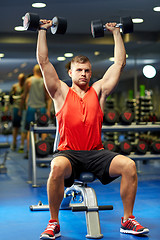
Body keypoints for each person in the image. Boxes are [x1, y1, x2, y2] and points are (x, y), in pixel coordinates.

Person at [36, 19, 149, 239]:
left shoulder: (98, 91)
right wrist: (42, 30)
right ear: (70, 73)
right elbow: (43, 61)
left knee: (129, 166)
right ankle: (54, 222)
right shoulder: (59, 92)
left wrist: (117, 32)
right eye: (79, 70)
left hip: (96, 153)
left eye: (87, 70)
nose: (84, 74)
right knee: (56, 167)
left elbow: (118, 64)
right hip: (69, 154)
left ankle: (127, 220)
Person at [20, 64, 52, 159]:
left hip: (31, 108)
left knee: (30, 130)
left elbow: (24, 96)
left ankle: (30, 152)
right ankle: (43, 151)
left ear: (34, 71)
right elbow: (48, 98)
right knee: (43, 130)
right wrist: (48, 111)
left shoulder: (29, 81)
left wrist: (21, 108)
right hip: (42, 108)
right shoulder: (44, 82)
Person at [10, 73, 26, 151]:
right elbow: (11, 98)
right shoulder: (15, 87)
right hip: (16, 108)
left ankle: (22, 144)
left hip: (23, 109)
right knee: (15, 127)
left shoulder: (26, 87)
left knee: (23, 128)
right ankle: (14, 143)